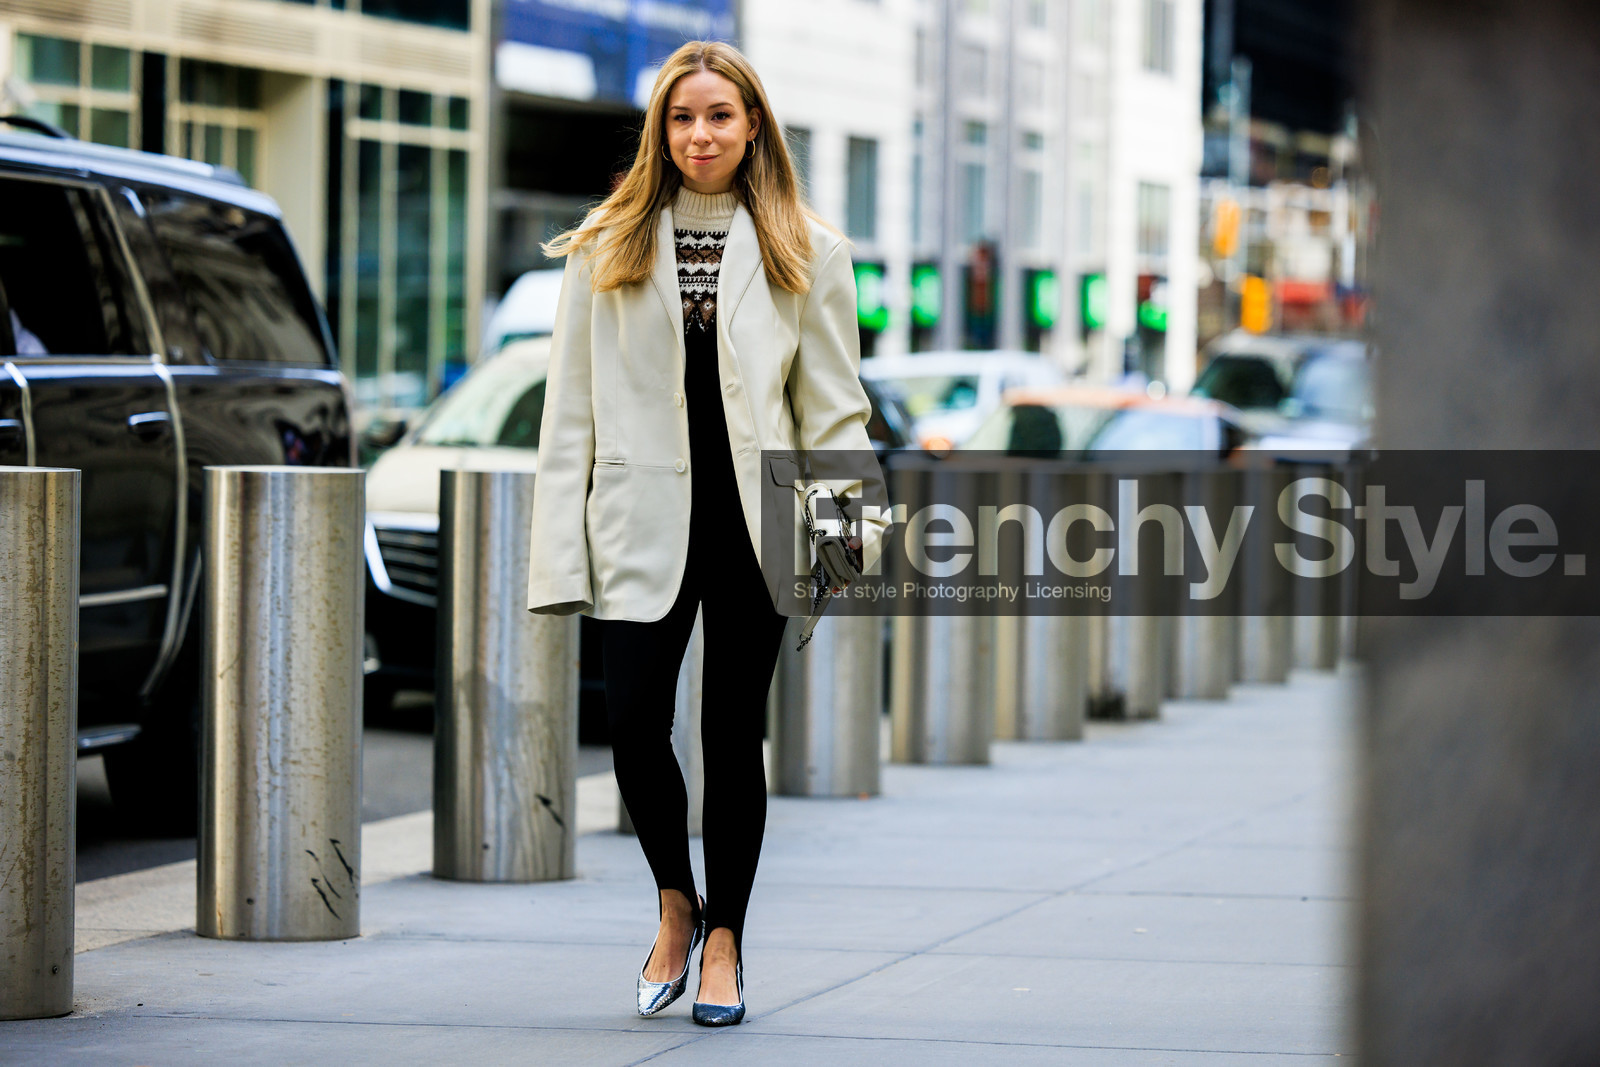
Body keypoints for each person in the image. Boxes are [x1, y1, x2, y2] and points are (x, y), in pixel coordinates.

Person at [525, 40, 888, 1027]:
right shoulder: (606, 243)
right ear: (660, 130)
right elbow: (569, 416)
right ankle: (674, 903)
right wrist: (558, 552)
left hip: (754, 520)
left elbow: (833, 408)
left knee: (735, 736)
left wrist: (849, 527)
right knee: (634, 724)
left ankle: (726, 939)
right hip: (638, 520)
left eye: (718, 116)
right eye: (682, 118)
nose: (699, 134)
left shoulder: (804, 247)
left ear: (752, 124)